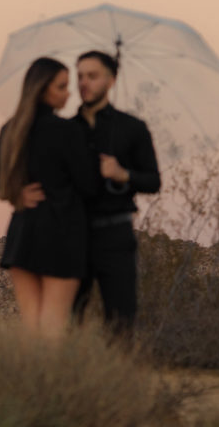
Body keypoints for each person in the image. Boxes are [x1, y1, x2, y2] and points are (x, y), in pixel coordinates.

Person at [20, 51, 161, 332]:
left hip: (116, 236)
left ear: (111, 80)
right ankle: (69, 375)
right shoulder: (64, 129)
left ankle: (116, 375)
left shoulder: (133, 129)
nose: (83, 83)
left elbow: (153, 181)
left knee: (121, 321)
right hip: (72, 234)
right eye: (80, 76)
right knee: (66, 322)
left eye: (92, 76)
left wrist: (123, 174)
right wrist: (18, 193)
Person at [0, 56, 97, 337]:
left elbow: (0, 186)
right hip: (62, 235)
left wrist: (17, 194)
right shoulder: (67, 131)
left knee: (32, 330)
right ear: (43, 89)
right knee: (53, 330)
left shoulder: (10, 131)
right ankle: (48, 383)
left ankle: (28, 381)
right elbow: (89, 186)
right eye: (62, 87)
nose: (68, 93)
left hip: (23, 234)